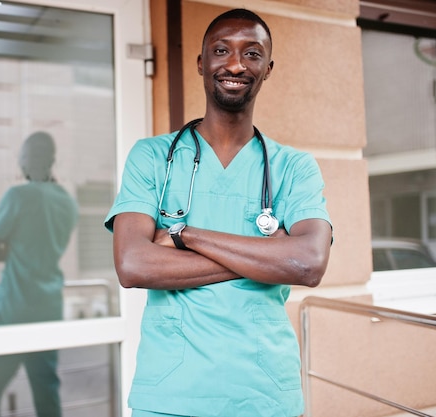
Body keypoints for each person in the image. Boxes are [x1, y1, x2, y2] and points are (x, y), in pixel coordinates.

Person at [104, 8, 333, 417]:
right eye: (222, 50)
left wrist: (184, 236)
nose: (235, 64)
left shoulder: (294, 167)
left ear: (268, 69)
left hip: (265, 396)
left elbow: (308, 264)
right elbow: (132, 264)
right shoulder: (153, 157)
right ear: (201, 62)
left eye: (252, 54)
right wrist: (268, 257)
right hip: (171, 395)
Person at [0, 132, 78, 417]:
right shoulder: (66, 201)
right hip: (49, 305)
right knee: (46, 391)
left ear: (29, 161)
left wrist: (15, 251)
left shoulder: (18, 195)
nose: (21, 163)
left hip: (14, 308)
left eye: (24, 157)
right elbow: (49, 246)